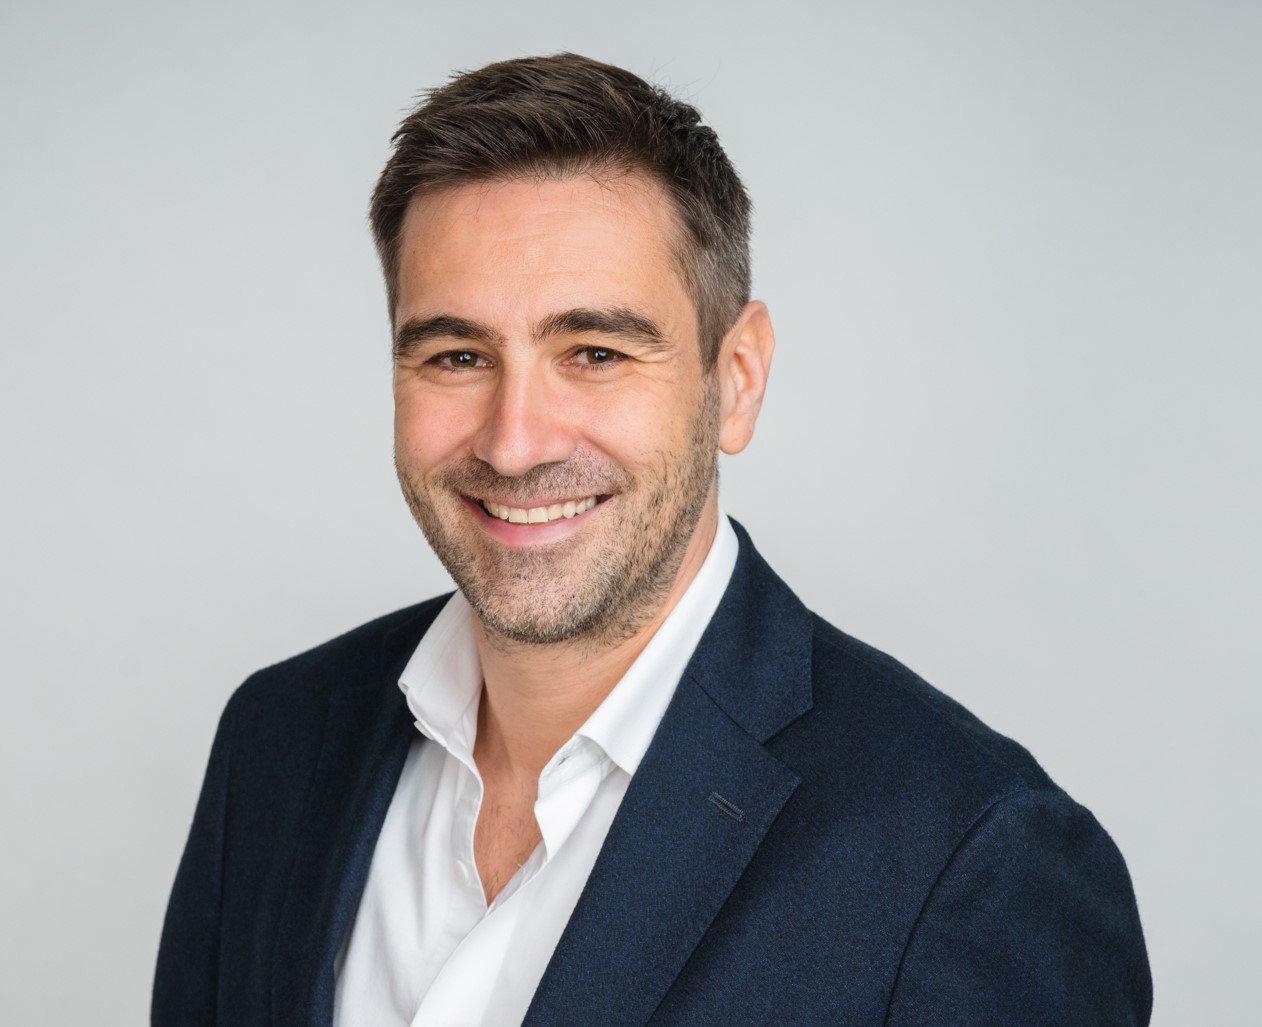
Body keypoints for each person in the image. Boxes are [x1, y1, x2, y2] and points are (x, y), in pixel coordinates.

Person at [152, 53, 1152, 1026]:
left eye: (594, 352)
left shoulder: (969, 861)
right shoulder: (276, 742)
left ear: (737, 379)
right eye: (456, 356)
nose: (514, 442)